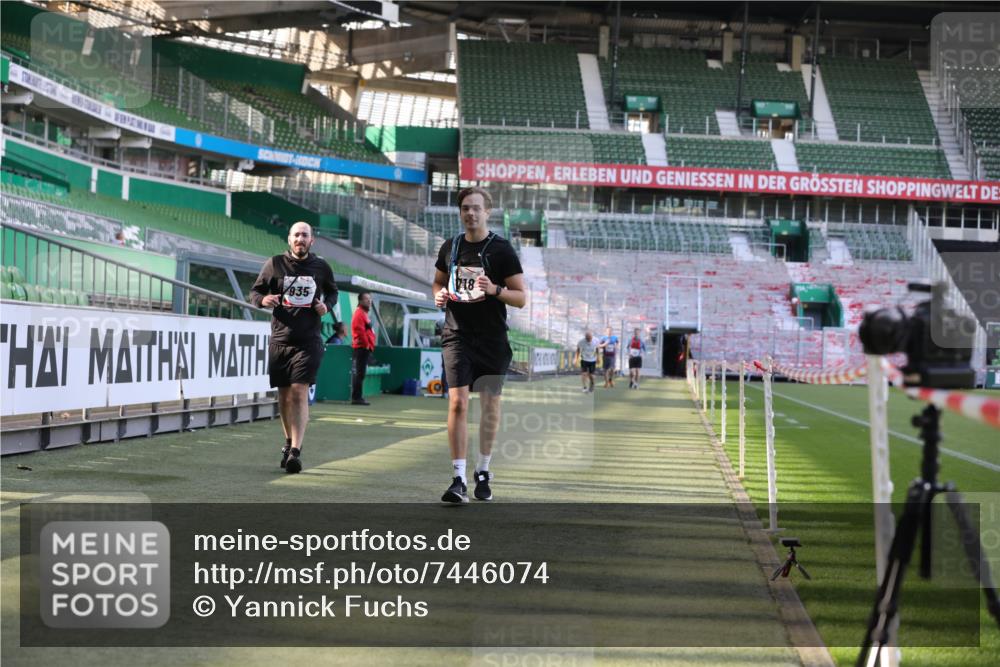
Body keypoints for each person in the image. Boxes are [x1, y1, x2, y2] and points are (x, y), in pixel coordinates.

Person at [432, 186, 526, 503]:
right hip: (456, 334)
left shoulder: (501, 250)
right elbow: (437, 281)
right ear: (460, 212)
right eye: (465, 208)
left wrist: (494, 289)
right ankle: (457, 477)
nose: (470, 213)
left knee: (489, 408)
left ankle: (483, 470)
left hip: (491, 339)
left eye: (476, 208)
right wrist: (438, 294)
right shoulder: (451, 247)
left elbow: (521, 298)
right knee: (457, 402)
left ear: (488, 211)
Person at [250, 221, 337, 474]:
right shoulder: (274, 264)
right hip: (280, 339)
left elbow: (332, 292)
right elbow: (255, 292)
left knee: (299, 391)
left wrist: (326, 306)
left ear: (312, 241)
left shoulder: (321, 267)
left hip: (308, 341)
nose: (300, 239)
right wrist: (264, 299)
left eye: (305, 235)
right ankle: (288, 442)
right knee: (285, 396)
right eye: (296, 235)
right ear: (289, 239)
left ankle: (296, 451)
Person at [350, 291, 376, 406]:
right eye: (366, 299)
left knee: (361, 373)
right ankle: (356, 397)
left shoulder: (363, 313)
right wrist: (366, 344)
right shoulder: (359, 313)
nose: (369, 301)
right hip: (361, 347)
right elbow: (359, 331)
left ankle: (357, 397)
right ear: (360, 301)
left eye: (370, 299)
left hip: (364, 348)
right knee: (359, 373)